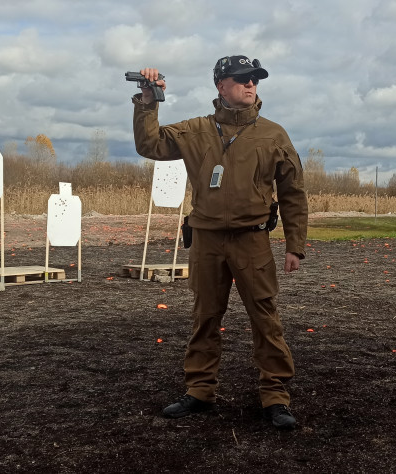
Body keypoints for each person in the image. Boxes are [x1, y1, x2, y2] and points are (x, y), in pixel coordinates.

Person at [131, 55, 308, 430]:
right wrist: (148, 101)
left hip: (253, 241)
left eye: (255, 79)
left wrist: (295, 243)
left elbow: (293, 192)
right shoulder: (196, 130)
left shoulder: (273, 135)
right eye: (242, 79)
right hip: (208, 241)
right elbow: (150, 145)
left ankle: (275, 396)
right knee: (205, 317)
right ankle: (199, 390)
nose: (251, 85)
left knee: (265, 319)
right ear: (220, 85)